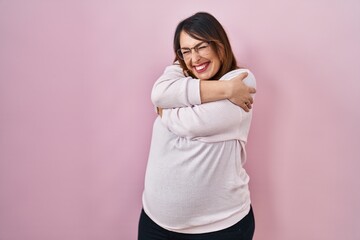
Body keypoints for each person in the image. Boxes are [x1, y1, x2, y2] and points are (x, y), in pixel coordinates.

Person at [139, 12, 257, 240]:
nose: (194, 58)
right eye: (186, 51)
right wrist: (225, 91)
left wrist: (166, 110)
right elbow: (159, 94)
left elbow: (192, 125)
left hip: (220, 228)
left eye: (201, 47)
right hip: (155, 223)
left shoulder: (242, 81)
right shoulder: (180, 71)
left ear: (219, 46)